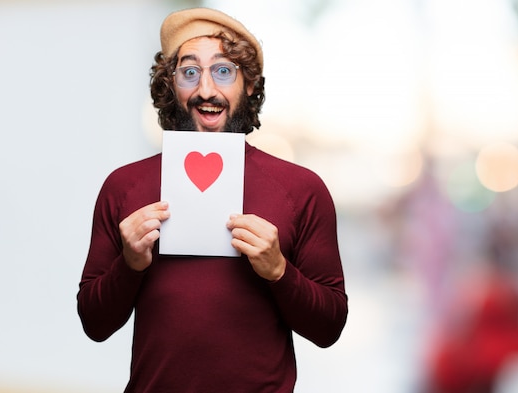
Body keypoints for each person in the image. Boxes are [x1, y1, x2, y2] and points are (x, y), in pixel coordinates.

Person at [77, 7, 348, 392]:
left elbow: (330, 328)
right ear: (171, 85)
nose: (206, 90)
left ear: (250, 85)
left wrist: (279, 271)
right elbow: (94, 323)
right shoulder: (123, 187)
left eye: (223, 71)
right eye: (190, 72)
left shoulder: (303, 190)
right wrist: (130, 264)